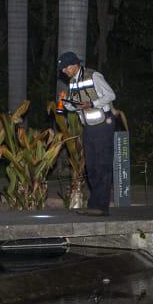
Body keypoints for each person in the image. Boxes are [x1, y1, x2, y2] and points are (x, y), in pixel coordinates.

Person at [58, 52, 118, 216]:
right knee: (91, 166)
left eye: (65, 68)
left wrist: (92, 103)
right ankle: (94, 205)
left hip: (104, 124)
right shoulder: (72, 82)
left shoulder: (94, 76)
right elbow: (76, 107)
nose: (63, 71)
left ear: (74, 65)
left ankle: (101, 207)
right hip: (89, 126)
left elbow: (111, 95)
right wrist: (67, 103)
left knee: (102, 165)